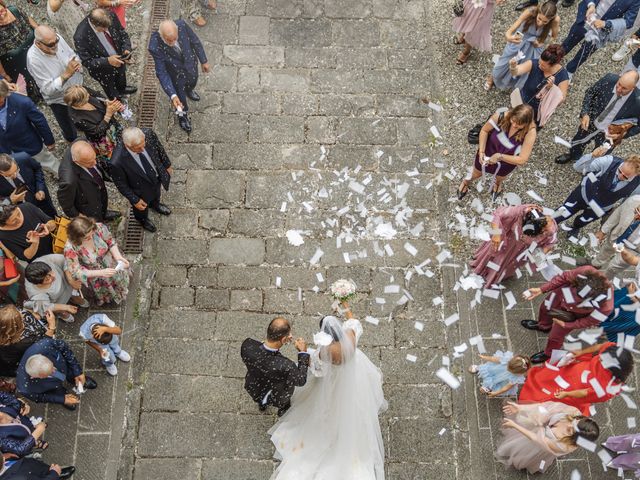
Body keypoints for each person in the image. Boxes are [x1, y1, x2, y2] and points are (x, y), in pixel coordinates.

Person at [268, 305, 387, 479]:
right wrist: (345, 305)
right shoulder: (350, 339)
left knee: (327, 410)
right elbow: (354, 322)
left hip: (332, 385)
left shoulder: (325, 353)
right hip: (354, 377)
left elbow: (318, 371)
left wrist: (303, 352)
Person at [521, 266, 614, 364]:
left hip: (573, 316)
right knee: (545, 308)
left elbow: (588, 321)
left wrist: (567, 325)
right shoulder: (585, 271)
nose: (575, 302)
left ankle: (548, 353)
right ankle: (543, 326)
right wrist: (542, 289)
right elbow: (563, 277)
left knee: (555, 336)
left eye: (582, 304)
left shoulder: (606, 308)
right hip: (560, 296)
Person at [519, 342, 633, 414]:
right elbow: (600, 347)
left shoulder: (606, 389)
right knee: (550, 376)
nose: (599, 359)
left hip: (575, 389)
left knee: (551, 395)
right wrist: (581, 353)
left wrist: (567, 394)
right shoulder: (613, 351)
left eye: (603, 361)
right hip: (577, 369)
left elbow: (584, 393)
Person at [555, 71, 640, 165]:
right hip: (591, 122)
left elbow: (639, 126)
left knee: (600, 154)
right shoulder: (609, 79)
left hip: (610, 134)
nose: (619, 89)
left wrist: (622, 135)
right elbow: (590, 93)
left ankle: (591, 166)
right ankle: (573, 155)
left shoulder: (638, 101)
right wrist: (585, 113)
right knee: (578, 141)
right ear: (619, 77)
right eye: (619, 84)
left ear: (633, 88)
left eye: (624, 88)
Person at [457, 104, 536, 200]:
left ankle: (497, 184)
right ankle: (466, 182)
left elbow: (522, 159)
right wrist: (481, 151)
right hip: (488, 152)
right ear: (512, 114)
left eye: (519, 125)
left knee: (500, 177)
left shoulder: (530, 132)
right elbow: (484, 130)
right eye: (513, 121)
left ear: (526, 124)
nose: (514, 125)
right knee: (476, 172)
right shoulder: (500, 116)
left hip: (507, 161)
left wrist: (500, 157)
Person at [496, 401, 599, 474]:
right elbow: (546, 406)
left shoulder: (564, 445)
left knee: (521, 452)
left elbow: (536, 439)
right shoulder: (574, 412)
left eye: (572, 430)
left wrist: (515, 425)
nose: (569, 425)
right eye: (575, 422)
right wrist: (521, 408)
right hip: (536, 428)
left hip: (537, 445)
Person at [470, 204, 557, 287]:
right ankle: (482, 268)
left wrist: (540, 254)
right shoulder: (520, 211)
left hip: (520, 252)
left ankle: (494, 277)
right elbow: (497, 214)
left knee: (505, 265)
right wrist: (496, 234)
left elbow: (550, 244)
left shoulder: (549, 230)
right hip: (506, 240)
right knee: (495, 256)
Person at [148, 19, 210, 133]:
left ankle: (189, 90)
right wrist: (172, 95)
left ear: (177, 30)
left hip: (190, 65)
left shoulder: (181, 25)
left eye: (175, 39)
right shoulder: (154, 45)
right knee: (179, 100)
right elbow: (162, 73)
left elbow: (195, 41)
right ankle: (182, 116)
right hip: (175, 76)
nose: (172, 42)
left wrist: (204, 60)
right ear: (161, 36)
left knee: (192, 81)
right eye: (168, 40)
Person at [557, 153, 640, 235]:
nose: (620, 176)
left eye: (626, 177)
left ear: (637, 174)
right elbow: (579, 167)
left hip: (601, 207)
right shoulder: (609, 161)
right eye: (619, 171)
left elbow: (628, 202)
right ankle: (547, 222)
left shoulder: (637, 186)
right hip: (583, 193)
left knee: (583, 221)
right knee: (563, 212)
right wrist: (592, 156)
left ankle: (575, 228)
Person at [240, 317, 310, 416]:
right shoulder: (287, 366)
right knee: (283, 403)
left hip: (255, 386)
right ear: (284, 339)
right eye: (289, 334)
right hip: (278, 394)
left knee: (261, 398)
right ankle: (283, 410)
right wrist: (303, 352)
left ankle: (262, 404)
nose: (291, 335)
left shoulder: (247, 345)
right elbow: (301, 380)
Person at [27, 25, 83, 143]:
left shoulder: (56, 38)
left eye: (56, 41)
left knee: (81, 112)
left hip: (77, 86)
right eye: (51, 45)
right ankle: (72, 140)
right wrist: (66, 75)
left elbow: (71, 54)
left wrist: (76, 63)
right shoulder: (33, 60)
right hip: (60, 99)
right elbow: (47, 89)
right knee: (67, 124)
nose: (56, 45)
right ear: (38, 44)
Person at [110, 127, 172, 232]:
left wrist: (167, 164)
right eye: (138, 148)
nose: (143, 149)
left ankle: (155, 205)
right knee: (141, 208)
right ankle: (142, 220)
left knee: (157, 192)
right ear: (127, 146)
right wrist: (135, 200)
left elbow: (159, 149)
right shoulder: (117, 161)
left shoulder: (148, 134)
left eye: (144, 144)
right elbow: (121, 184)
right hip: (139, 188)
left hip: (155, 176)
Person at [489, 2, 560, 91]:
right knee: (505, 61)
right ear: (538, 12)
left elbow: (554, 36)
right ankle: (493, 77)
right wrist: (509, 37)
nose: (540, 23)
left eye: (545, 21)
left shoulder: (555, 20)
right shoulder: (531, 11)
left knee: (526, 69)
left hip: (535, 47)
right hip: (521, 40)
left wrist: (542, 43)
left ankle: (510, 82)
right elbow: (511, 30)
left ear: (551, 19)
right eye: (539, 19)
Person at [64, 215, 130, 305]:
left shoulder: (99, 227)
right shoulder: (70, 248)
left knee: (118, 280)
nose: (91, 237)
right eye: (86, 238)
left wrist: (118, 256)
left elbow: (110, 241)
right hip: (95, 274)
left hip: (111, 262)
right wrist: (101, 273)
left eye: (91, 233)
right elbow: (76, 271)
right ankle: (108, 298)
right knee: (105, 289)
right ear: (76, 238)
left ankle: (120, 292)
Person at [561, 0, 640, 76]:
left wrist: (606, 24)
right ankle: (557, 56)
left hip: (600, 31)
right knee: (570, 40)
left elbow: (628, 21)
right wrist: (591, 4)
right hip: (586, 17)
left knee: (585, 53)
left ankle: (570, 70)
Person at [16, 337, 97, 410]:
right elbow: (39, 398)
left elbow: (65, 349)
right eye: (49, 373)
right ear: (33, 377)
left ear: (41, 355)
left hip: (65, 368)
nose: (54, 371)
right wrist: (62, 399)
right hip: (50, 387)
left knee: (70, 372)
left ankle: (74, 377)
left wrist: (77, 371)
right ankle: (61, 394)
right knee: (56, 391)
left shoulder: (45, 344)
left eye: (52, 366)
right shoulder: (25, 389)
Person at [73, 7, 136, 99]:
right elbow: (86, 62)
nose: (107, 30)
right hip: (102, 70)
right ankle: (117, 101)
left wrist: (126, 49)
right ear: (94, 24)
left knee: (121, 76)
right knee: (110, 88)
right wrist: (107, 61)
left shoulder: (111, 15)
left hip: (119, 57)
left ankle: (122, 89)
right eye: (103, 29)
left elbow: (122, 33)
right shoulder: (80, 36)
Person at [0, 81, 59, 175]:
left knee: (52, 165)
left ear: (5, 95)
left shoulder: (22, 102)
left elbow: (40, 121)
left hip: (29, 146)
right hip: (6, 152)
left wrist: (49, 141)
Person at [57, 140, 120, 222]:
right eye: (90, 163)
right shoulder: (69, 181)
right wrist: (79, 216)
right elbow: (66, 205)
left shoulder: (80, 143)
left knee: (103, 198)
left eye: (94, 158)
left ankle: (103, 214)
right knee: (95, 217)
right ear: (77, 161)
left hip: (96, 185)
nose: (94, 164)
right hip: (87, 203)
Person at [507, 44, 570, 124]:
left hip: (538, 112)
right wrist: (513, 66)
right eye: (539, 62)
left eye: (543, 65)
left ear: (553, 65)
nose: (539, 66)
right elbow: (516, 71)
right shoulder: (535, 63)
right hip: (522, 100)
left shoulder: (562, 76)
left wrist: (551, 89)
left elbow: (561, 100)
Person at [64, 85, 124, 164]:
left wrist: (106, 101)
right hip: (104, 139)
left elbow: (98, 95)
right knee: (115, 157)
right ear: (78, 104)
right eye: (86, 97)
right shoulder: (77, 119)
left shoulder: (82, 90)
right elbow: (96, 131)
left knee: (123, 143)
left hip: (112, 126)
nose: (89, 95)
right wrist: (108, 114)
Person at [24, 254, 88, 322]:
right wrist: (66, 307)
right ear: (38, 283)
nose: (53, 277)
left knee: (75, 296)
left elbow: (65, 260)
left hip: (67, 284)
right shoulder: (37, 295)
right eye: (47, 280)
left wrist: (71, 281)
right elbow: (46, 307)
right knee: (61, 311)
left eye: (51, 273)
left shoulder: (43, 262)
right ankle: (63, 315)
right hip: (58, 301)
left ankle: (75, 299)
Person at [0, 305, 55, 377]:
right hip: (14, 362)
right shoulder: (23, 342)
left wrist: (35, 315)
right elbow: (43, 346)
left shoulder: (4, 318)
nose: (22, 313)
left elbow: (25, 311)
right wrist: (51, 327)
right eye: (20, 315)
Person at [592, 194, 640, 277]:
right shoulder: (634, 200)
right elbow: (617, 214)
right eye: (636, 211)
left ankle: (604, 280)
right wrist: (603, 231)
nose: (636, 216)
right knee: (606, 250)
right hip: (618, 235)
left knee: (614, 266)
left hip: (634, 249)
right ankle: (595, 265)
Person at [0, 1, 39, 100]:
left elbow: (32, 22)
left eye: (2, 10)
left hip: (35, 51)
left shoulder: (14, 10)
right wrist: (4, 75)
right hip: (16, 63)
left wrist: (41, 31)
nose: (2, 13)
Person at [0, 153, 56, 217]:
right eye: (9, 175)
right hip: (21, 207)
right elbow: (1, 207)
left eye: (16, 170)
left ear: (14, 162)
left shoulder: (24, 158)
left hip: (39, 194)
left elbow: (37, 169)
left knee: (51, 213)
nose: (15, 175)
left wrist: (40, 188)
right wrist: (10, 200)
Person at [453, 0, 506, 65]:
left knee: (473, 29)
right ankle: (464, 35)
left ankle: (466, 51)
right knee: (465, 18)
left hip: (483, 8)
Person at [0, 391, 46, 457]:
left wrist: (22, 404)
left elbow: (4, 396)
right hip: (21, 439)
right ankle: (35, 444)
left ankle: (34, 428)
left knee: (28, 425)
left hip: (23, 421)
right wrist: (38, 431)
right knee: (29, 441)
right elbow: (20, 449)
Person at [0, 454, 75, 479]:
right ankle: (58, 475)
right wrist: (54, 474)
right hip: (38, 476)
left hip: (33, 467)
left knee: (43, 468)